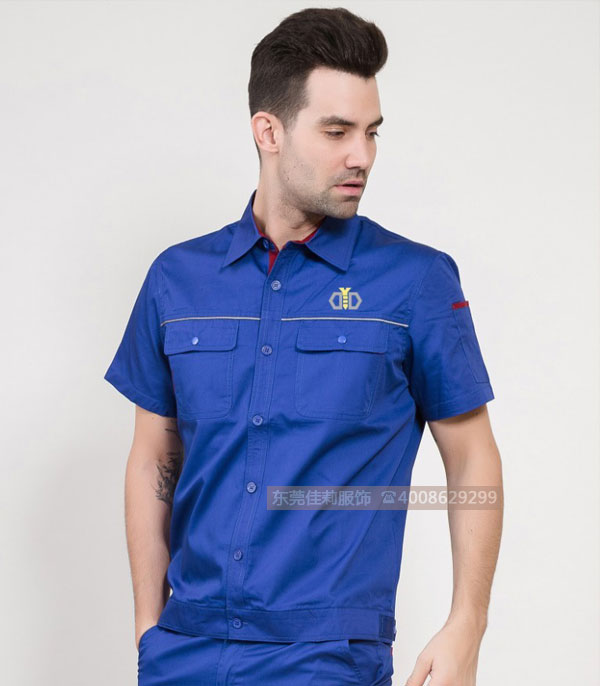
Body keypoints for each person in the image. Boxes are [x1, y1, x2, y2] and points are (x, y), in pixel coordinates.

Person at [104, 7, 503, 686]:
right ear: (269, 131)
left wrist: (468, 624)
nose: (362, 156)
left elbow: (471, 455)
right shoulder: (177, 279)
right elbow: (153, 455)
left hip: (327, 658)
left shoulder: (415, 281)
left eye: (372, 132)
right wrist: (149, 627)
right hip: (184, 652)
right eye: (337, 131)